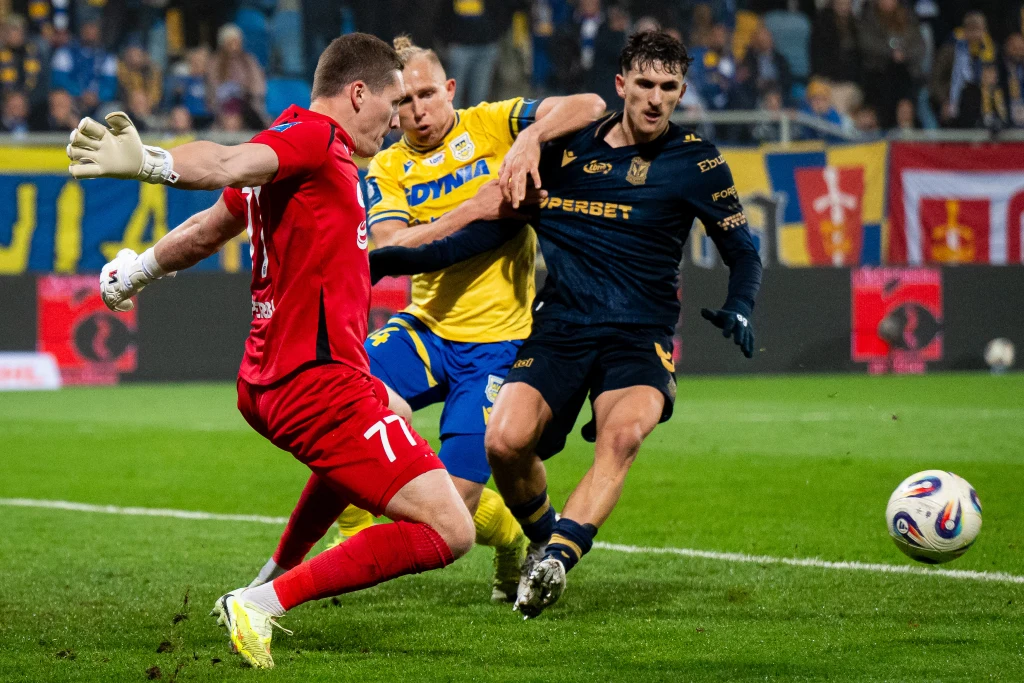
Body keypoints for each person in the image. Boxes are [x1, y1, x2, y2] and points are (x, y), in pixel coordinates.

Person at [68, 33, 477, 669]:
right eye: (392, 103)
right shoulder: (314, 139)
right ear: (357, 93)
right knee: (452, 532)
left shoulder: (292, 146)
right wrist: (152, 162)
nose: (397, 121)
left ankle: (270, 576)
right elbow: (226, 164)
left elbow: (208, 231)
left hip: (276, 379)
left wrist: (135, 271)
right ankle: (264, 603)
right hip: (314, 385)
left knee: (392, 406)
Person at [369, 30, 762, 618]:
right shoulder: (562, 154)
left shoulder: (697, 163)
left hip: (639, 336)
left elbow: (743, 250)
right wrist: (391, 256)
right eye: (646, 85)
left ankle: (556, 557)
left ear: (681, 93)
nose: (655, 100)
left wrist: (741, 303)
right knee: (505, 443)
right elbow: (486, 231)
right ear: (622, 85)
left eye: (669, 88)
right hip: (560, 328)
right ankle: (536, 535)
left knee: (622, 436)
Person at [319, 36, 606, 603]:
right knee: (335, 396)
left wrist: (530, 138)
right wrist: (476, 209)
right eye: (404, 101)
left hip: (496, 348)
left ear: (451, 90)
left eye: (428, 94)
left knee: (452, 512)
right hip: (424, 330)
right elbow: (390, 246)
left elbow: (591, 105)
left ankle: (512, 538)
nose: (417, 110)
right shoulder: (389, 164)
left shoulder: (492, 123)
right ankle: (349, 530)